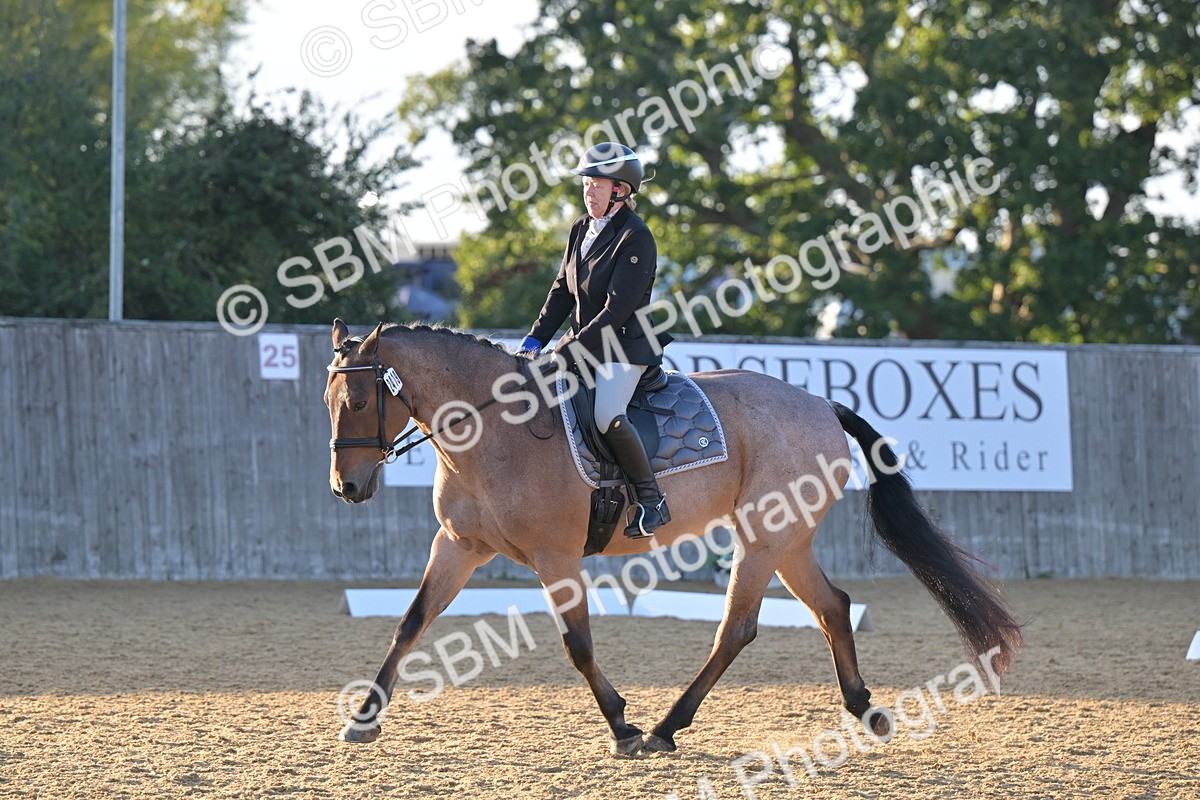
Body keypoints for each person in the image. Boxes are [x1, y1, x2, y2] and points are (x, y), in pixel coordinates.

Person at [517, 142, 673, 538]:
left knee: (607, 413)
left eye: (597, 185)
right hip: (584, 342)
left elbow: (617, 309)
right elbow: (561, 291)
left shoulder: (636, 237)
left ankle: (651, 500)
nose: (589, 192)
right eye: (586, 184)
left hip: (623, 346)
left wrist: (567, 351)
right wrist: (535, 341)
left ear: (620, 190)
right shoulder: (580, 229)